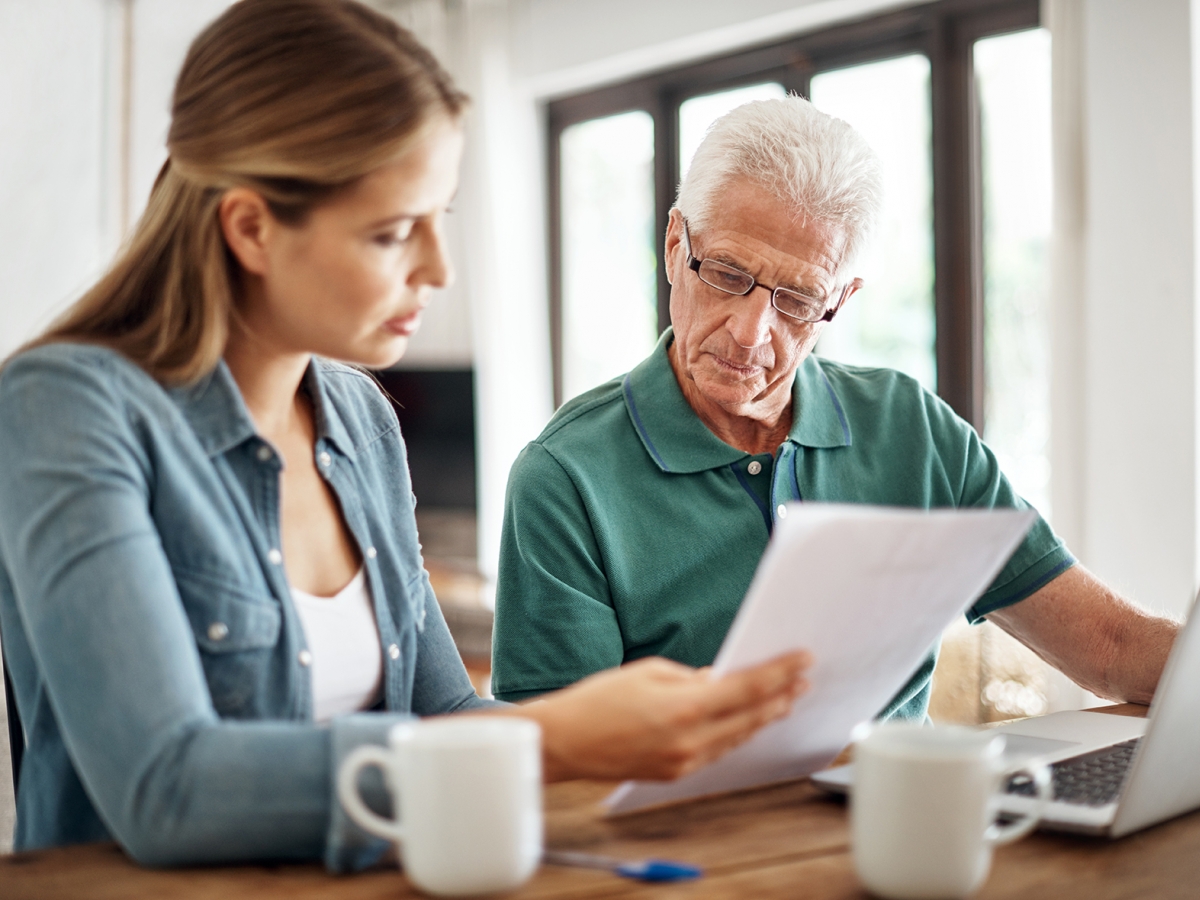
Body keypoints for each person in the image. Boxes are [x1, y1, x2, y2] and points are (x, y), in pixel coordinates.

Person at [0, 0, 812, 870]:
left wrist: (658, 743)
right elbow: (166, 789)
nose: (438, 269)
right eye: (392, 232)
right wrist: (552, 740)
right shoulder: (65, 409)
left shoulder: (360, 418)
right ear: (250, 228)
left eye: (440, 218)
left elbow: (445, 718)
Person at [491, 96, 1180, 716]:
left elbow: (1110, 647)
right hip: (699, 849)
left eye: (795, 301)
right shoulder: (565, 476)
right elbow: (561, 763)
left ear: (838, 304)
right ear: (677, 246)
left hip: (901, 831)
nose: (750, 333)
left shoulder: (910, 430)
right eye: (729, 275)